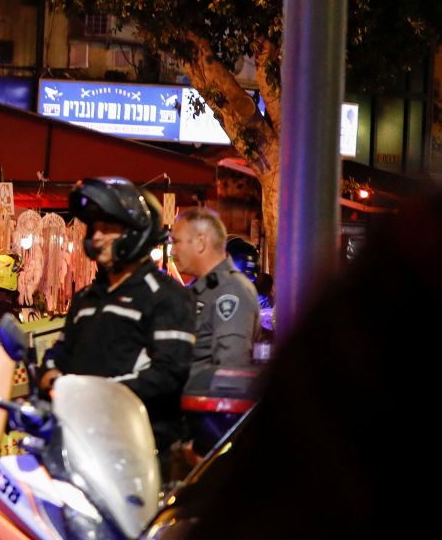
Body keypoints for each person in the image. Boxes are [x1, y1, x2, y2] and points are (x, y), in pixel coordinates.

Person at [165, 187, 442, 540]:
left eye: (179, 241)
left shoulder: (237, 296)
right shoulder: (199, 293)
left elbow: (227, 373)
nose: (174, 250)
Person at [40, 177, 194, 472]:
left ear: (136, 232)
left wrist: (95, 394)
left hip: (140, 453)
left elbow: (169, 373)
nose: (96, 237)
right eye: (94, 228)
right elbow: (60, 351)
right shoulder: (87, 297)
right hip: (78, 446)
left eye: (107, 229)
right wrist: (49, 374)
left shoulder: (166, 295)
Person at [170, 207, 259, 374]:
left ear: (200, 242)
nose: (173, 251)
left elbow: (230, 368)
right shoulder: (202, 288)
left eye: (176, 242)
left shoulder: (231, 290)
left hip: (203, 397)